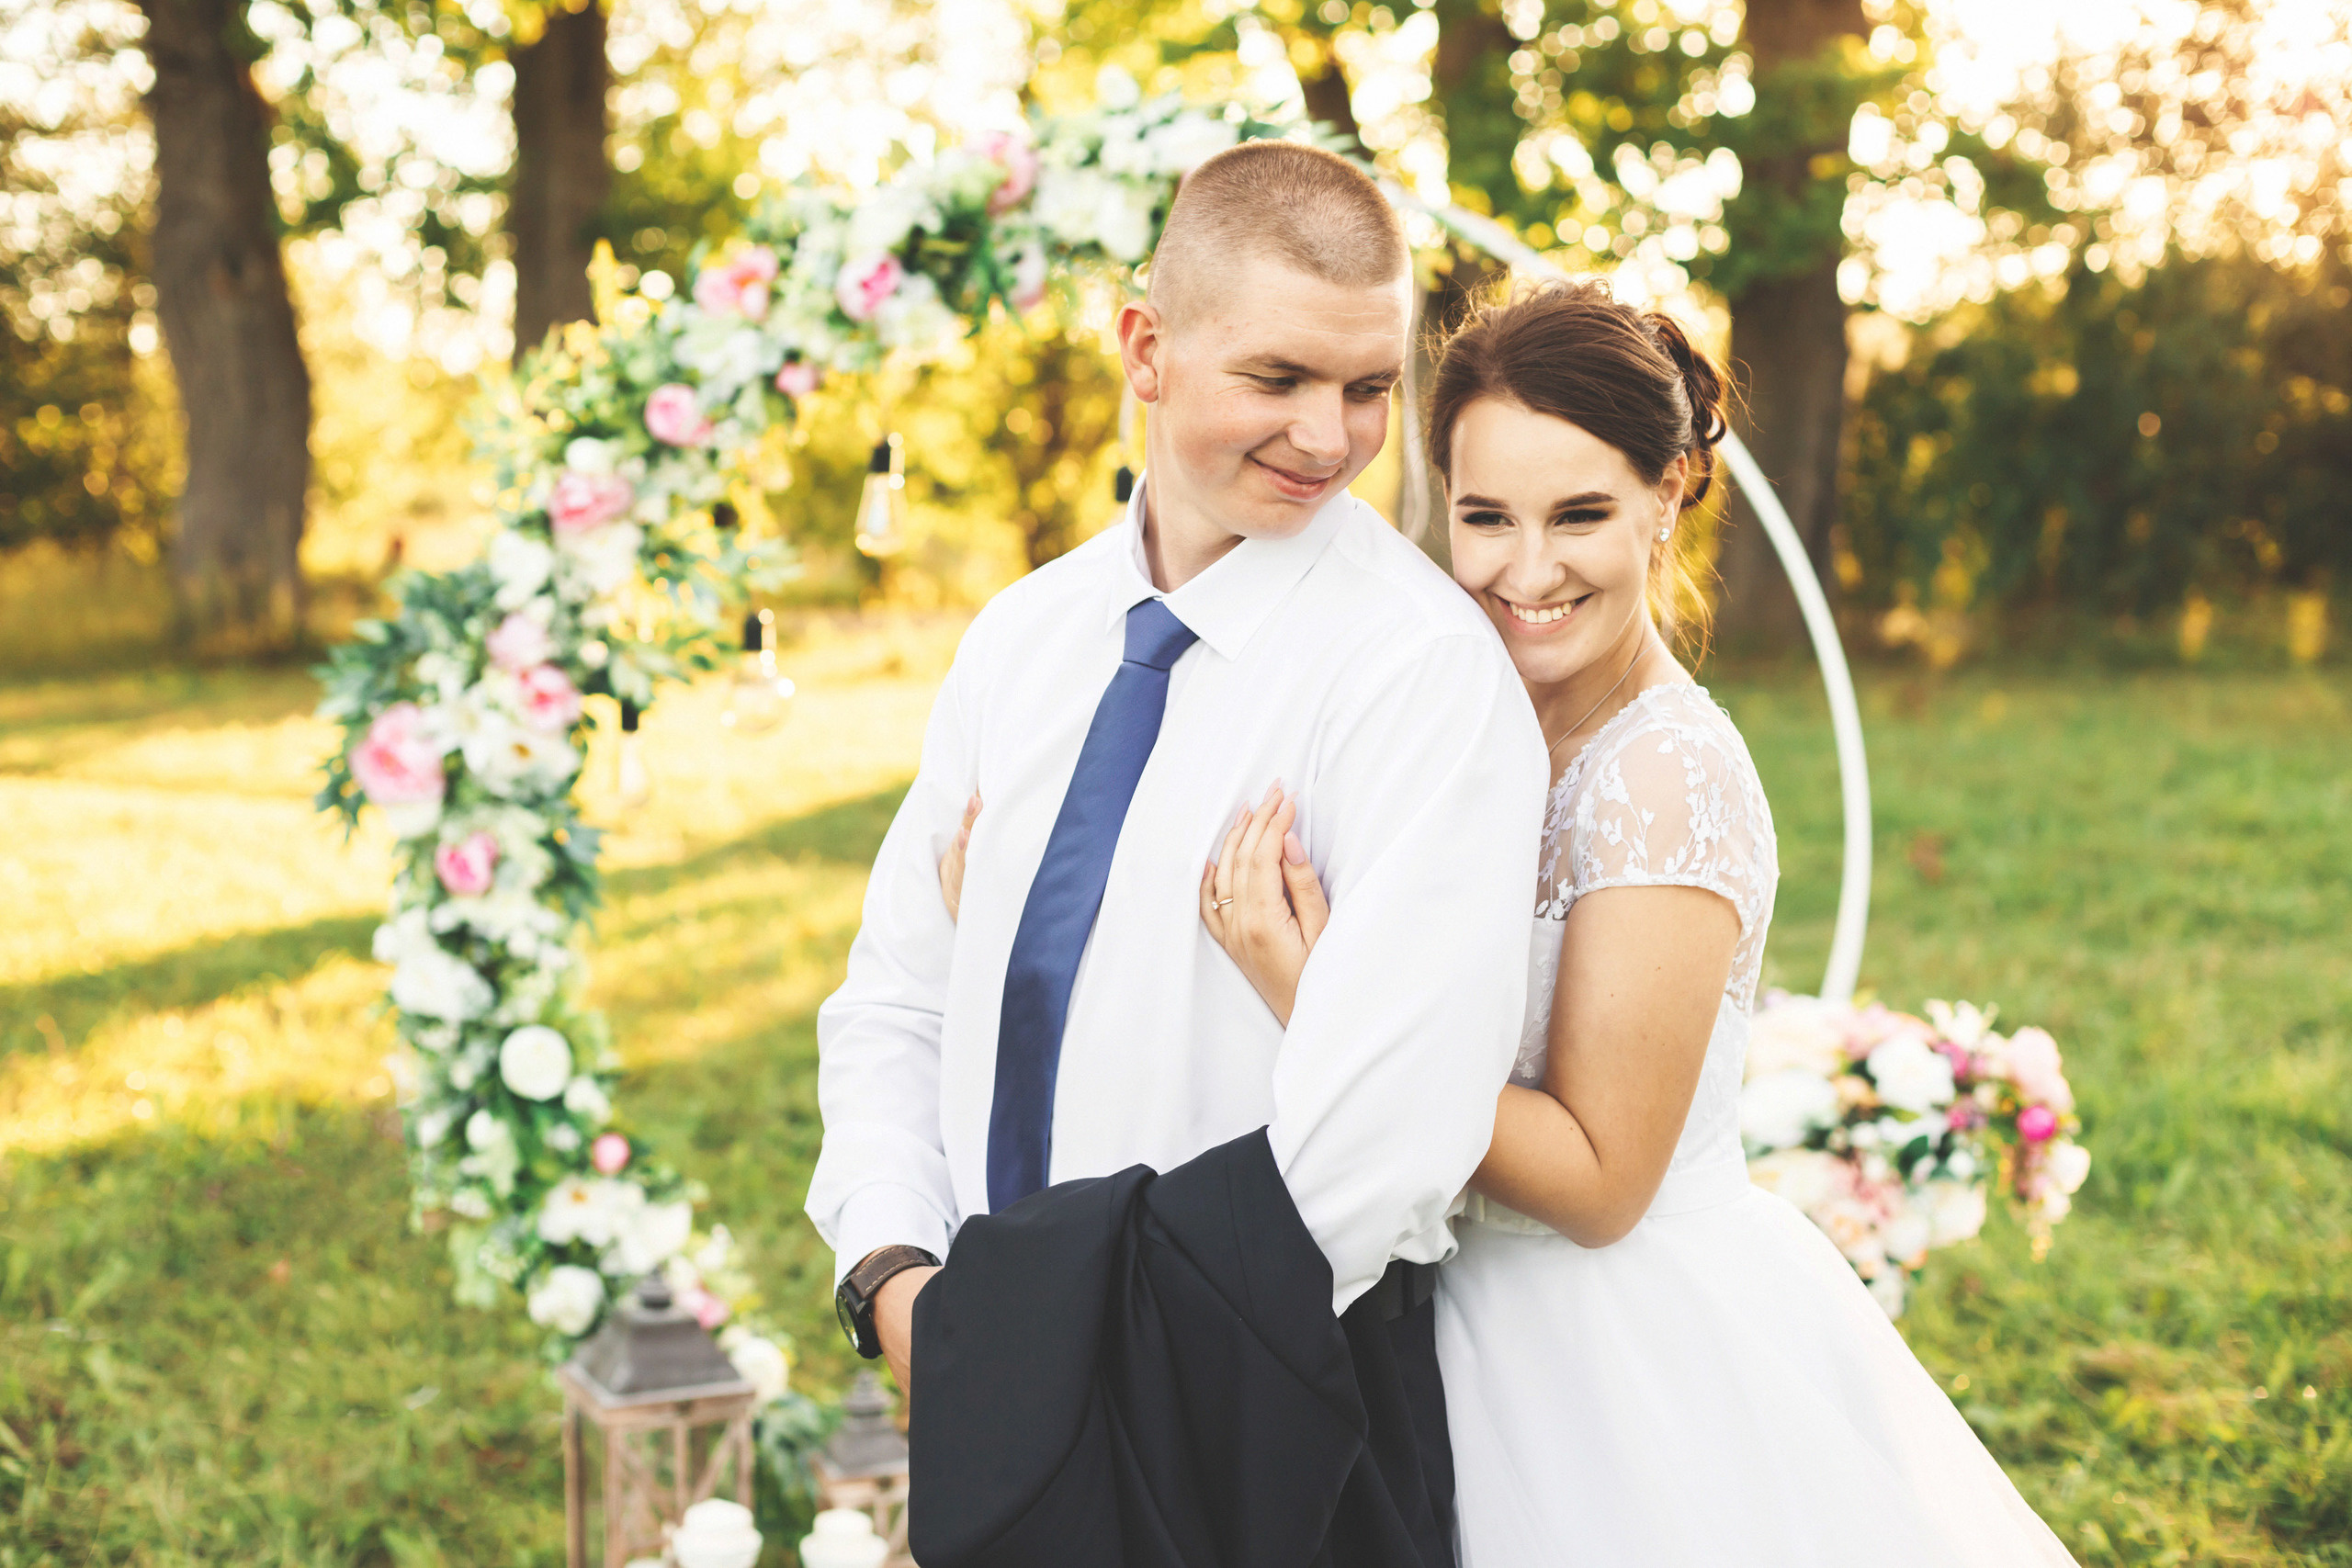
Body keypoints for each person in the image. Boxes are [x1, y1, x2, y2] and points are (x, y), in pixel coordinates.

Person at [1184, 280, 2081, 1565]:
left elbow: (1601, 1181)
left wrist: (1326, 1002)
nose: (1526, 570)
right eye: (1486, 517)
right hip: (1432, 1314)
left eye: (1580, 515)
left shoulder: (1663, 779)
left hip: (1604, 1354)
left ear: (1668, 493)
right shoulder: (1455, 718)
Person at [806, 140, 1546, 1568]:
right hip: (988, 1375)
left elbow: (1394, 1131)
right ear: (1146, 349)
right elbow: (900, 998)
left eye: (1368, 388)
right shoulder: (1020, 641)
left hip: (1261, 1404)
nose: (1329, 437)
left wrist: (1076, 1355)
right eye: (1278, 379)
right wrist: (902, 1282)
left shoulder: (1421, 678)